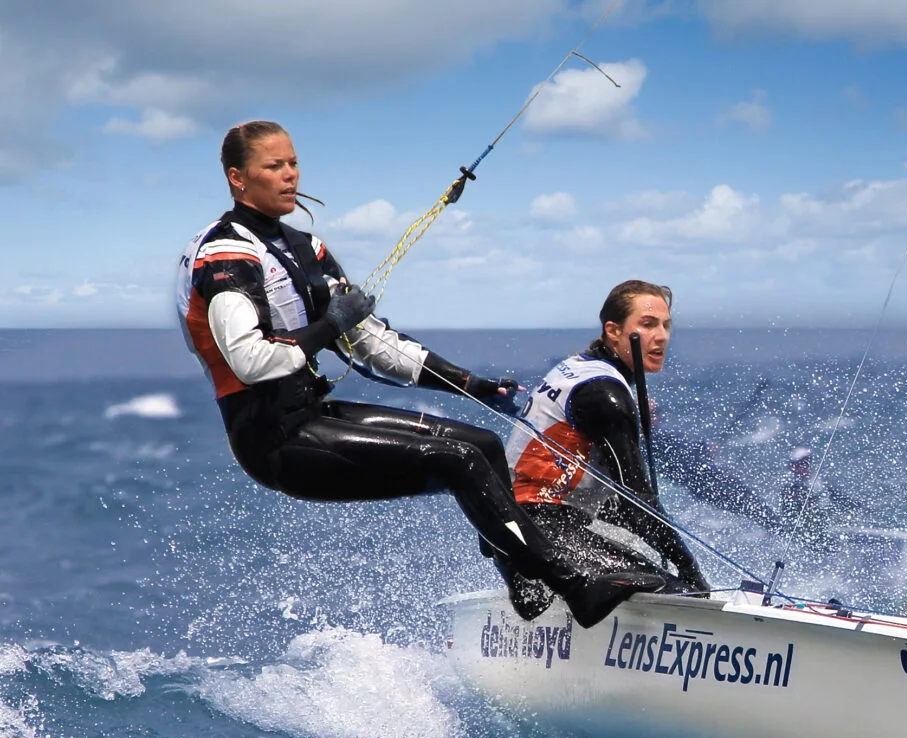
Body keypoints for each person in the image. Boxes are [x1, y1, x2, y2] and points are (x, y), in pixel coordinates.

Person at [176, 120, 646, 627]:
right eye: (274, 166)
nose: (290, 175)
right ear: (238, 178)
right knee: (459, 461)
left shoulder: (305, 247)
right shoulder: (224, 255)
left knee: (484, 445)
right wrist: (330, 325)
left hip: (312, 413)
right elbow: (251, 361)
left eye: (293, 163)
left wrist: (470, 384)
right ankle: (575, 587)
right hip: (272, 440)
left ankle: (526, 584)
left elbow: (367, 341)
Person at [505, 279, 709, 619]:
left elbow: (612, 503)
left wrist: (659, 541)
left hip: (514, 533)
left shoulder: (577, 367)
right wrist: (691, 571)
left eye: (666, 325)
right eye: (647, 324)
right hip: (541, 534)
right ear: (613, 331)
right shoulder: (604, 394)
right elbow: (636, 500)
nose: (661, 336)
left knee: (647, 569)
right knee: (680, 594)